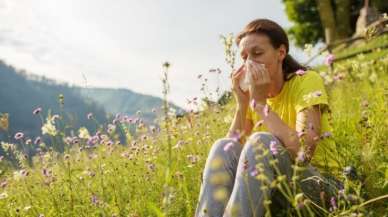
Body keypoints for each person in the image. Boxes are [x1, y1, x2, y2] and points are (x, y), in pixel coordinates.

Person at [195, 18, 342, 217]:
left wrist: (261, 105)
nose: (249, 63)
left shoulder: (306, 81)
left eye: (257, 54)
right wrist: (242, 104)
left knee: (261, 142)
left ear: (281, 53)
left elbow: (304, 152)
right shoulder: (253, 96)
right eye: (244, 57)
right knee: (221, 145)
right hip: (279, 191)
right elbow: (229, 154)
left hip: (322, 190)